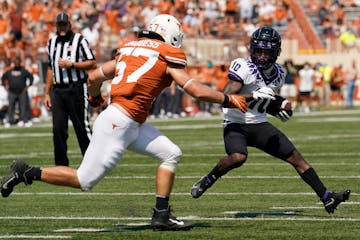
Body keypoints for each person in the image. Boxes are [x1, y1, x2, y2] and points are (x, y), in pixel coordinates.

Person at [0, 14, 247, 231]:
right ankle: (26, 171)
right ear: (168, 33)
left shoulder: (130, 48)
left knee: (171, 153)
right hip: (120, 123)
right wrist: (229, 99)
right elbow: (197, 91)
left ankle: (161, 215)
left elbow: (94, 76)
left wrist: (96, 97)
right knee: (85, 180)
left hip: (128, 122)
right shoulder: (166, 53)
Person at [191, 26, 350, 214]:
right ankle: (209, 178)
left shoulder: (280, 73)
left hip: (259, 124)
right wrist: (253, 95)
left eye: (267, 52)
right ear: (252, 49)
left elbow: (267, 102)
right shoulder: (244, 67)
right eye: (259, 51)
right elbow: (224, 98)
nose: (262, 56)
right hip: (236, 124)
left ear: (276, 53)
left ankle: (327, 197)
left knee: (297, 159)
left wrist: (281, 109)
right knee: (238, 157)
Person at [43, 12, 96, 166]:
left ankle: (93, 162)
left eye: (64, 25)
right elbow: (50, 69)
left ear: (69, 25)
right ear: (56, 26)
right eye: (59, 25)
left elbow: (92, 63)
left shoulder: (79, 40)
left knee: (81, 127)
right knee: (58, 129)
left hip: (76, 88)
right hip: (58, 91)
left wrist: (72, 64)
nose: (62, 28)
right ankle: (61, 165)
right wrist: (46, 93)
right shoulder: (51, 42)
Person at [1, 57, 33, 128]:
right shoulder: (9, 71)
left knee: (23, 106)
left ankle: (23, 120)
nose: (16, 63)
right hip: (12, 92)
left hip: (22, 92)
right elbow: (3, 78)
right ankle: (10, 121)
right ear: (13, 63)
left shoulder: (24, 71)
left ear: (20, 62)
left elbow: (31, 78)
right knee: (11, 107)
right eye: (15, 62)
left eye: (18, 62)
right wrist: (6, 88)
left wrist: (27, 87)